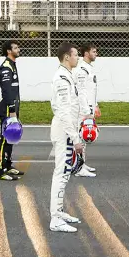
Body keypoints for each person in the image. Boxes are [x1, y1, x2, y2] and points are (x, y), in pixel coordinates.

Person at [48, 42, 86, 234]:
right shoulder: (62, 78)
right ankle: (55, 218)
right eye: (75, 54)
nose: (77, 57)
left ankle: (59, 211)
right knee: (61, 173)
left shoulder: (68, 75)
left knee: (64, 172)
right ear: (66, 57)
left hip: (68, 130)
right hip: (64, 131)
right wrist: (75, 137)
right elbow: (63, 111)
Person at [0, 40, 24, 180]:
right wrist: (12, 109)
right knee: (5, 138)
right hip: (8, 108)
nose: (18, 49)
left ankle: (8, 165)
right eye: (15, 47)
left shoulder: (12, 65)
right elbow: (6, 91)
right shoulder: (6, 67)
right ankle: (2, 169)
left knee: (12, 138)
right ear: (8, 51)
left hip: (13, 107)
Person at [74, 44, 99, 177]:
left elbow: (91, 90)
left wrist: (95, 105)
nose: (96, 54)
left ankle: (82, 163)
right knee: (81, 136)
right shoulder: (82, 69)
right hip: (83, 109)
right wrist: (87, 111)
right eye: (93, 51)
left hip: (89, 107)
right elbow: (82, 92)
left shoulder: (89, 68)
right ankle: (78, 167)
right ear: (86, 53)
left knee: (84, 138)